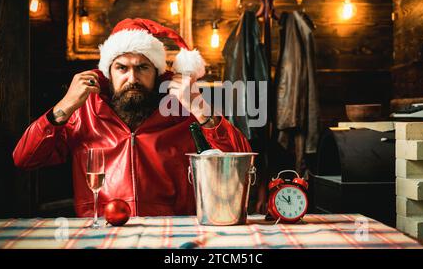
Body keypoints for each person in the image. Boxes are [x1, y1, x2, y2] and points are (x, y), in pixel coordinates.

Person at [13, 18, 252, 217]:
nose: (132, 78)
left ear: (157, 73)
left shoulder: (182, 109)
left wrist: (199, 108)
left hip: (173, 232)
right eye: (122, 68)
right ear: (108, 73)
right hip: (99, 231)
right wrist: (63, 107)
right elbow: (24, 159)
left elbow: (242, 164)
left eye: (142, 67)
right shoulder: (83, 112)